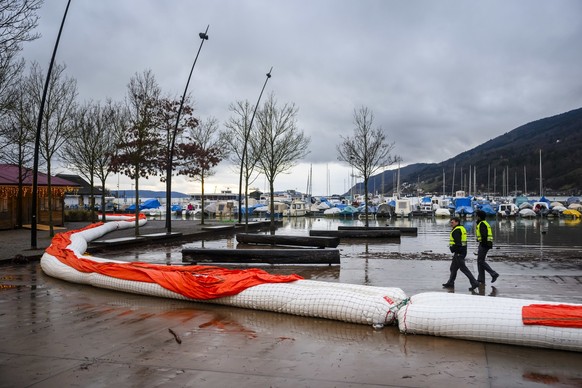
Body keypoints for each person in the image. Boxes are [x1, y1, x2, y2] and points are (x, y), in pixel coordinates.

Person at [442, 217, 480, 291]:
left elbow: (458, 243)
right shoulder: (462, 228)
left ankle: (474, 282)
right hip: (462, 251)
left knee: (463, 268)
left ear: (457, 222)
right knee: (453, 268)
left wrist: (452, 249)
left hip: (459, 252)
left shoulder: (457, 230)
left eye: (452, 222)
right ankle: (450, 283)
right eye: (451, 222)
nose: (451, 224)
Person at [475, 210, 499, 284]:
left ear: (479, 216)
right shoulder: (484, 223)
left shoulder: (482, 224)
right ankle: (481, 279)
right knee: (480, 261)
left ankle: (493, 274)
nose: (476, 217)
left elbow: (484, 235)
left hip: (484, 244)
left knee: (480, 261)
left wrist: (481, 243)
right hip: (486, 244)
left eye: (477, 215)